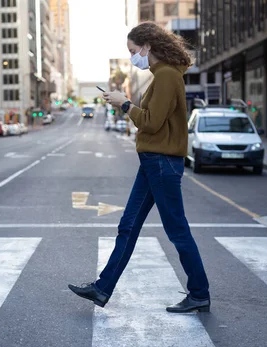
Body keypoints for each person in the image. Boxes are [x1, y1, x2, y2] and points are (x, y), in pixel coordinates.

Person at [68, 21, 211, 313]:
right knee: (128, 225)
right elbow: (151, 117)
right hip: (152, 163)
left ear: (147, 47)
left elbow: (151, 122)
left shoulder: (168, 76)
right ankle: (102, 289)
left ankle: (199, 293)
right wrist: (125, 103)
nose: (134, 57)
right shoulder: (162, 75)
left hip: (161, 162)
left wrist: (124, 104)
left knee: (177, 230)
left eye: (134, 51)